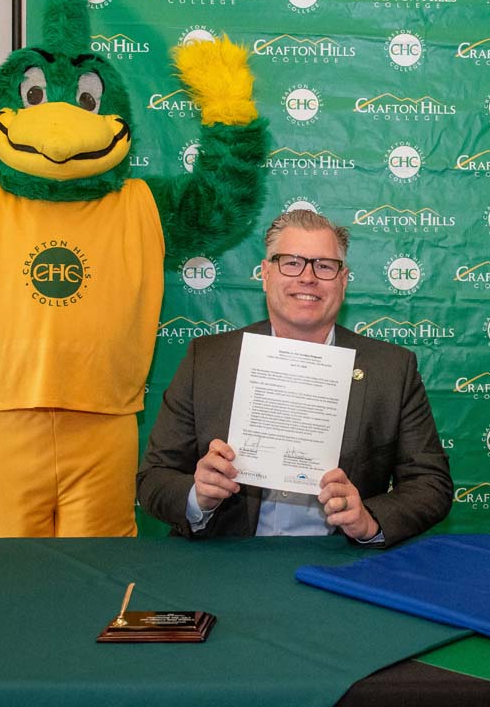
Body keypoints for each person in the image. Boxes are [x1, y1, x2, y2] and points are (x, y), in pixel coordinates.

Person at [137, 210, 452, 546]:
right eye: (291, 262)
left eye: (324, 266)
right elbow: (154, 478)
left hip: (338, 563)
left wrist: (369, 520)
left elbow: (430, 483)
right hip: (225, 559)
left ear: (343, 281)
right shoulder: (208, 359)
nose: (308, 278)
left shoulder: (392, 369)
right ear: (265, 273)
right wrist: (198, 496)